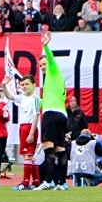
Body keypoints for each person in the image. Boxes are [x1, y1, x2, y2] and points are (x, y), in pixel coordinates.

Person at [35, 31, 70, 191]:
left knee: (48, 147)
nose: (43, 67)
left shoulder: (53, 70)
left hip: (51, 114)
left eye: (44, 64)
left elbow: (51, 59)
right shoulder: (56, 79)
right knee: (60, 149)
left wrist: (45, 46)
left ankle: (47, 181)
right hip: (62, 114)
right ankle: (61, 183)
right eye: (40, 65)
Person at [3, 74, 41, 190]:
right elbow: (9, 96)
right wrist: (4, 85)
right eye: (22, 84)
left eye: (27, 84)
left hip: (29, 127)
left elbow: (36, 115)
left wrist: (31, 132)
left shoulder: (35, 98)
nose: (24, 87)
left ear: (34, 85)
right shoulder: (23, 97)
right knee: (29, 155)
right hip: (23, 127)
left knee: (28, 155)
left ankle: (25, 183)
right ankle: (36, 181)